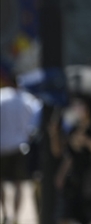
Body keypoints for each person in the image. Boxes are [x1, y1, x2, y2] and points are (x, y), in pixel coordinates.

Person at [55, 97, 91, 224]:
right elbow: (70, 155)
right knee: (77, 216)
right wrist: (61, 175)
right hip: (78, 177)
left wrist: (86, 140)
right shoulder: (73, 128)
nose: (78, 110)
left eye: (81, 106)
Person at [0, 70, 35, 224]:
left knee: (1, 182)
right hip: (21, 145)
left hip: (2, 145)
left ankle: (5, 213)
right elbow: (35, 120)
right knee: (18, 184)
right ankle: (15, 217)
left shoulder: (2, 97)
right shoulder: (27, 99)